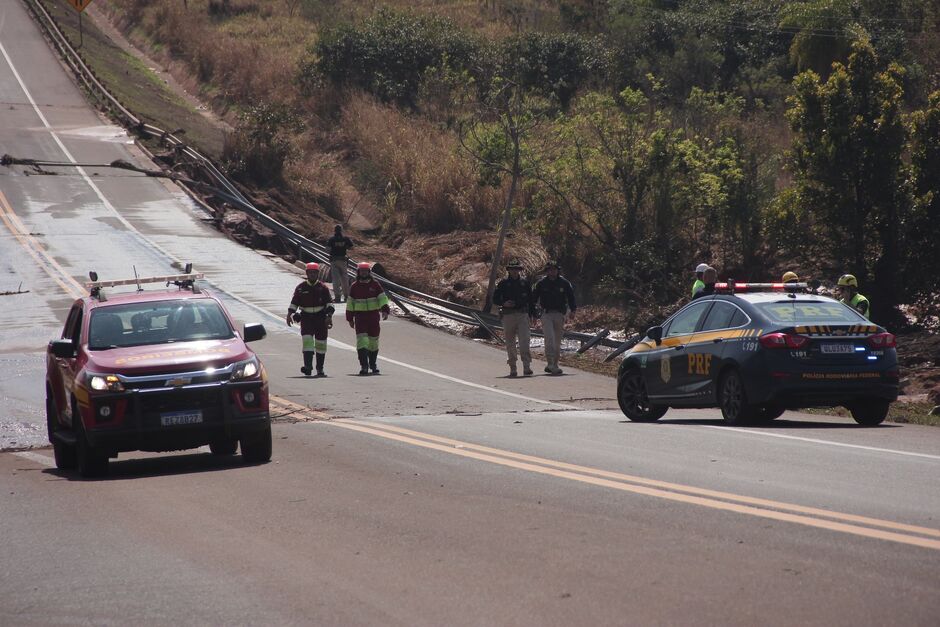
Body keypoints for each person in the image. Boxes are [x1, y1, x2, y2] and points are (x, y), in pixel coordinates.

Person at [287, 263, 334, 377]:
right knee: (307, 343)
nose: (312, 275)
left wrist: (329, 317)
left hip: (320, 319)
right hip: (306, 319)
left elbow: (329, 304)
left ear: (318, 274)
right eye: (310, 273)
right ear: (307, 274)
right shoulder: (301, 288)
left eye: (314, 273)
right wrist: (289, 314)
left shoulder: (323, 288)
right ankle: (308, 367)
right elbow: (294, 303)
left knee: (321, 344)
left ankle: (320, 369)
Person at [493, 259, 536, 377]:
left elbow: (531, 301)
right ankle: (513, 367)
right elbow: (495, 299)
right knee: (510, 342)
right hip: (508, 315)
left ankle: (527, 366)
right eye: (512, 269)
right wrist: (504, 303)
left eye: (516, 269)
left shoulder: (525, 283)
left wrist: (534, 315)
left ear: (519, 270)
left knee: (524, 341)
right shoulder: (503, 283)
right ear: (509, 270)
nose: (514, 271)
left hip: (523, 315)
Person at [533, 260, 577, 375]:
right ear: (547, 271)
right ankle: (550, 363)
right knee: (550, 339)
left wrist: (573, 310)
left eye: (554, 269)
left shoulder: (564, 283)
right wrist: (533, 314)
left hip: (560, 314)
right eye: (550, 269)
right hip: (546, 314)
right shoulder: (541, 283)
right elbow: (533, 299)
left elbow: (571, 297)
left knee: (557, 342)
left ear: (558, 270)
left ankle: (555, 364)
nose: (552, 271)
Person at [346, 262, 390, 375]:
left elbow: (382, 298)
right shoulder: (354, 286)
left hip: (373, 317)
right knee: (362, 341)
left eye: (366, 271)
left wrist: (385, 310)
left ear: (369, 272)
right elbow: (350, 303)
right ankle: (364, 366)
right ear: (358, 272)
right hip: (360, 318)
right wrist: (350, 318)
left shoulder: (375, 285)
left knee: (373, 342)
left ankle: (373, 364)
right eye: (362, 271)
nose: (364, 273)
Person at [326, 225, 354, 303]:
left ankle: (337, 297)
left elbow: (327, 249)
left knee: (335, 279)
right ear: (341, 230)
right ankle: (346, 297)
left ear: (334, 231)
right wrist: (344, 246)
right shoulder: (345, 239)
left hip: (334, 260)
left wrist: (334, 249)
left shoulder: (331, 239)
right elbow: (351, 247)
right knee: (344, 279)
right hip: (343, 260)